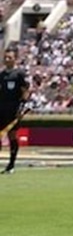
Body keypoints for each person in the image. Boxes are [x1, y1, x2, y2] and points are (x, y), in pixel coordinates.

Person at [0, 45, 31, 174]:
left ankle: (11, 165)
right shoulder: (1, 75)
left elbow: (26, 91)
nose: (7, 59)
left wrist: (22, 107)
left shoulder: (19, 74)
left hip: (13, 109)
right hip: (1, 108)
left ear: (15, 59)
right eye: (5, 57)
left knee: (12, 135)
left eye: (10, 57)